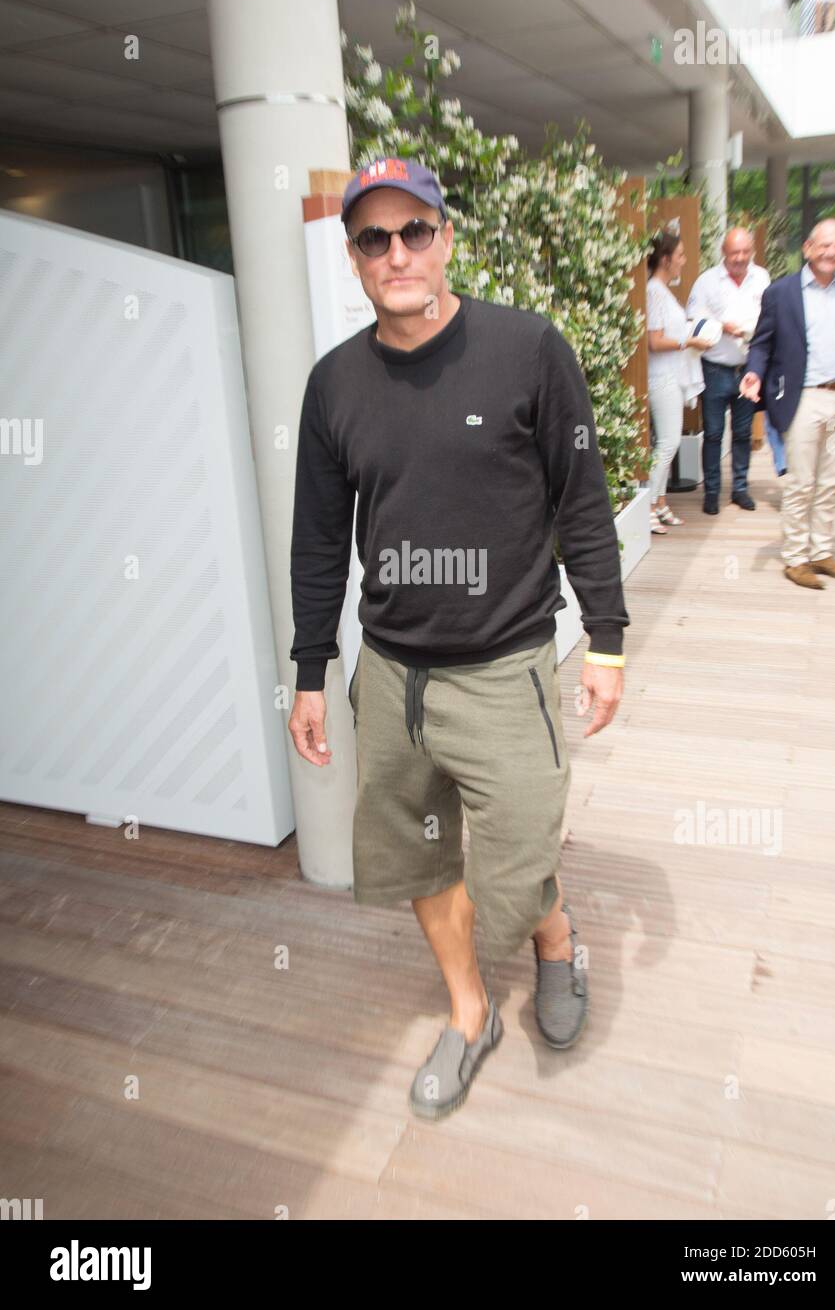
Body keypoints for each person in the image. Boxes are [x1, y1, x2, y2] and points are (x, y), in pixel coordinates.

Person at [288, 158, 629, 1119]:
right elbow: (317, 539)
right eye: (372, 238)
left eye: (414, 232)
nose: (396, 253)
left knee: (517, 862)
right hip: (391, 673)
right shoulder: (335, 385)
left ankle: (553, 942)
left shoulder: (527, 351)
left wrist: (605, 638)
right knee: (420, 859)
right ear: (355, 258)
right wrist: (311, 672)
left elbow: (583, 503)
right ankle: (470, 1011)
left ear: (446, 238)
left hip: (505, 665)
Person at [740, 219, 835, 587]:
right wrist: (754, 373)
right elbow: (762, 342)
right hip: (803, 399)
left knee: (833, 480)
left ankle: (821, 552)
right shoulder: (781, 293)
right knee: (801, 483)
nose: (831, 252)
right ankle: (796, 558)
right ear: (808, 248)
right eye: (824, 245)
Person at [686, 228, 770, 514]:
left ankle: (740, 488)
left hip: (748, 368)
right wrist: (722, 326)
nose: (741, 258)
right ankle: (711, 492)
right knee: (713, 433)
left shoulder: (761, 277)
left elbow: (769, 316)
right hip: (715, 368)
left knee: (743, 432)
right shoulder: (706, 281)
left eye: (746, 252)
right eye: (735, 253)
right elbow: (692, 320)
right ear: (724, 252)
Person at [645, 229, 712, 532]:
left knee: (668, 442)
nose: (684, 261)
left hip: (671, 375)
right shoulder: (653, 292)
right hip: (662, 377)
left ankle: (660, 503)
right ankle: (647, 505)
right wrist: (689, 342)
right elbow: (655, 341)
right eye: (681, 255)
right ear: (666, 258)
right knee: (668, 442)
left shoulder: (662, 290)